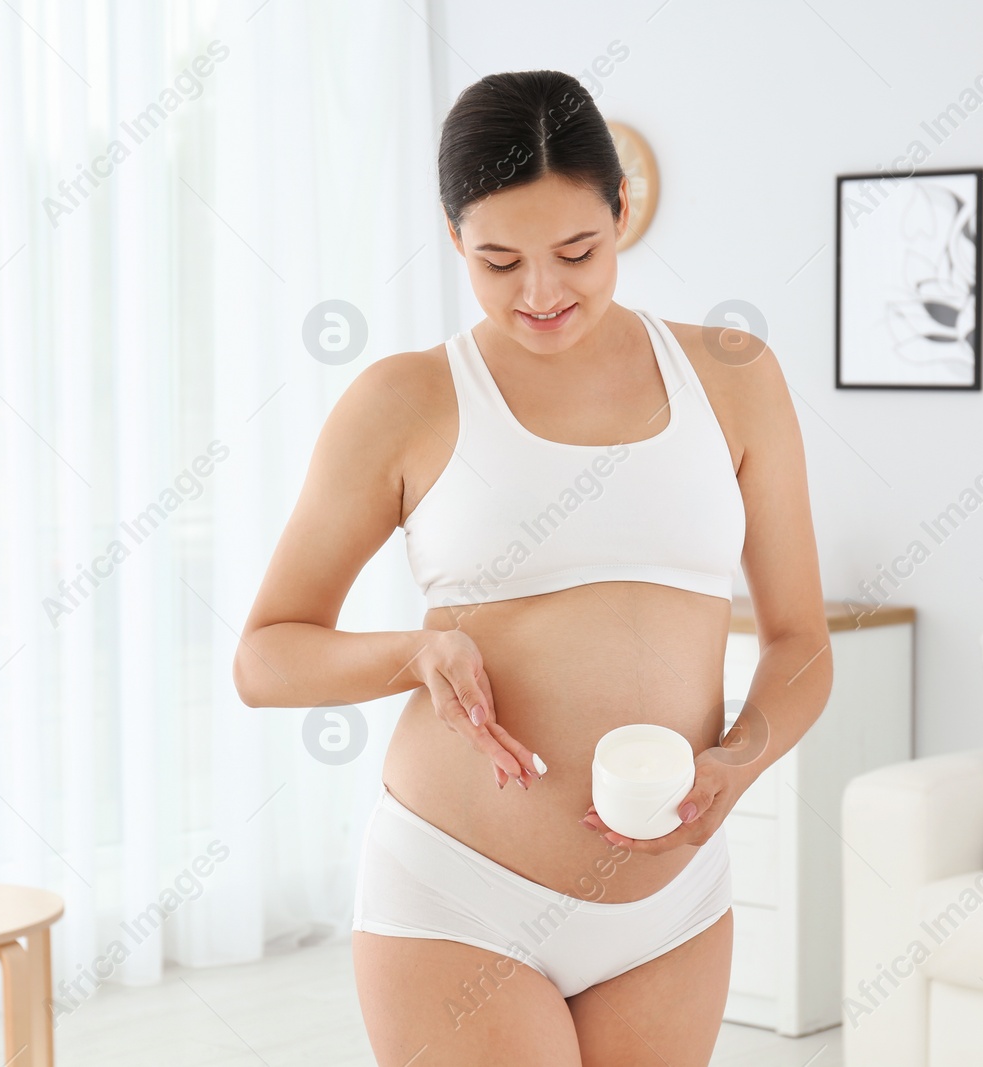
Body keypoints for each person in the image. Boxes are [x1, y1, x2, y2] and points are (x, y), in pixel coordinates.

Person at [234, 69, 832, 1067]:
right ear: (453, 231)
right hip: (461, 895)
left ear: (622, 211)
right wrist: (414, 653)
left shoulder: (734, 376)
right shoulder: (404, 399)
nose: (542, 292)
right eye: (499, 260)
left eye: (576, 251)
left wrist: (740, 756)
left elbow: (799, 641)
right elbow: (265, 656)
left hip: (671, 906)